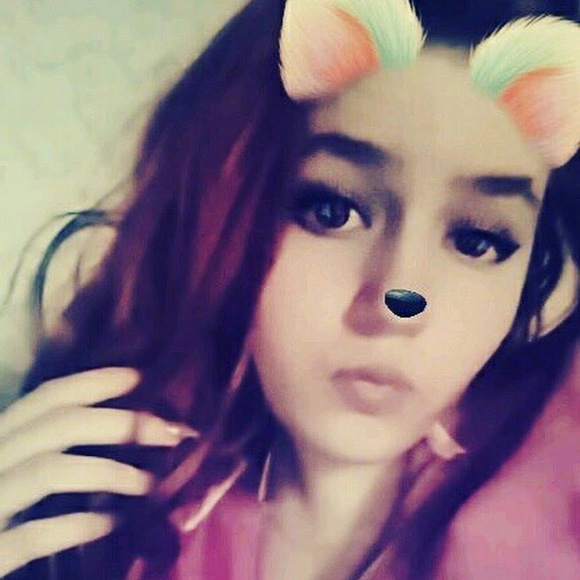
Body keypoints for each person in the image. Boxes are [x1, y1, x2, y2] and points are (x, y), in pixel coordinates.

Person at [0, 0, 578, 578]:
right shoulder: (104, 507)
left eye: (478, 240)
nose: (399, 300)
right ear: (225, 208)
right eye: (332, 211)